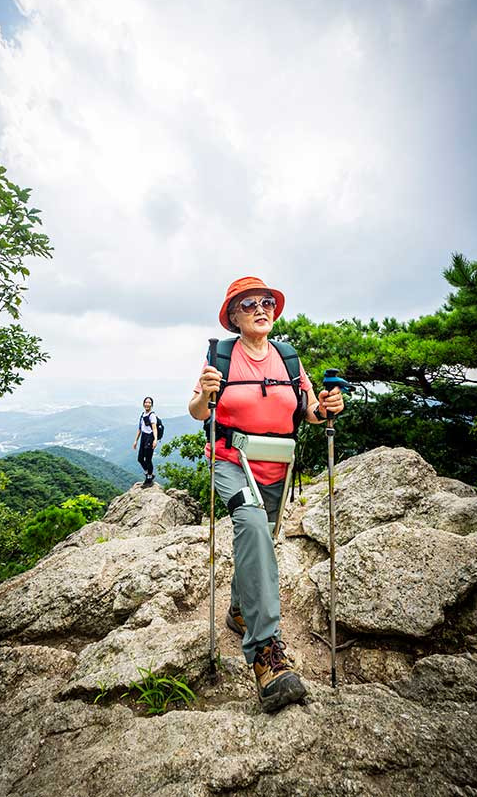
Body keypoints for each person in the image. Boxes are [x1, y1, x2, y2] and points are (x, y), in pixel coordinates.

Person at [189, 276, 344, 712]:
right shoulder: (220, 359)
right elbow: (198, 410)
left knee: (261, 541)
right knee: (253, 523)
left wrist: (328, 408)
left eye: (266, 302)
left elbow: (310, 411)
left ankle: (239, 611)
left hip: (278, 467)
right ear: (234, 317)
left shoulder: (289, 360)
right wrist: (205, 394)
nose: (261, 308)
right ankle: (266, 654)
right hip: (230, 461)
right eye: (249, 304)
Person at [133, 396, 159, 488]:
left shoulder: (152, 415)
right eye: (146, 402)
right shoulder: (143, 414)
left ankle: (149, 478)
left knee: (148, 459)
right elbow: (140, 429)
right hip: (143, 437)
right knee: (140, 458)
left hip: (150, 437)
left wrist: (155, 439)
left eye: (149, 402)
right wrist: (136, 440)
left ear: (151, 404)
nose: (147, 404)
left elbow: (154, 428)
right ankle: (149, 474)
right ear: (143, 404)